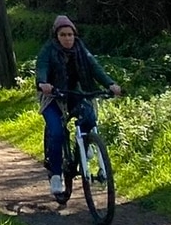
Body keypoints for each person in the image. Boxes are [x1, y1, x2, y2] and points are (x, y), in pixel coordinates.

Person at [36, 15, 122, 197]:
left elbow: (95, 67)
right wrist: (43, 83)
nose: (67, 38)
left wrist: (110, 84)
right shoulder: (48, 50)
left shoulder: (81, 49)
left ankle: (85, 141)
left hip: (74, 92)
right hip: (53, 95)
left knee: (89, 116)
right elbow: (42, 67)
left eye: (70, 34)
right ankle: (56, 176)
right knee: (57, 132)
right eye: (63, 35)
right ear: (56, 36)